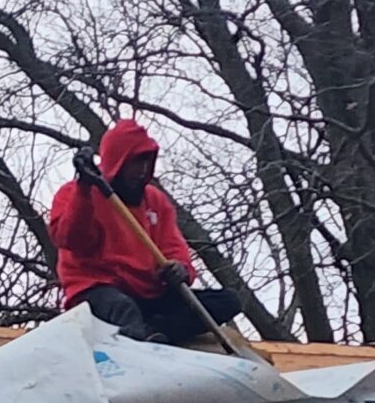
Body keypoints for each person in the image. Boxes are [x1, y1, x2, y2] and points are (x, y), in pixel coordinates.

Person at [46, 120, 244, 346]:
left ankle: (155, 332)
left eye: (147, 162)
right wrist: (84, 190)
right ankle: (139, 340)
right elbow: (70, 239)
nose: (142, 171)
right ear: (118, 162)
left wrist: (180, 270)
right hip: (97, 291)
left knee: (227, 301)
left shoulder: (155, 201)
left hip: (149, 295)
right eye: (136, 162)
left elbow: (174, 249)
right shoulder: (76, 193)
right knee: (123, 308)